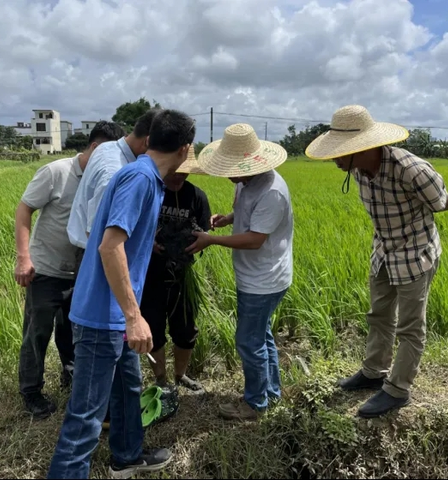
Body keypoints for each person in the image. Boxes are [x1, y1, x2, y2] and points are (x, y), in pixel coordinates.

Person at [47, 109, 196, 480]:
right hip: (102, 316)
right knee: (86, 417)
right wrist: (134, 315)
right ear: (185, 149)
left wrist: (129, 315)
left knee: (129, 387)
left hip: (114, 314)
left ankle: (127, 457)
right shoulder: (140, 180)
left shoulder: (145, 176)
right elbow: (110, 247)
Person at [305, 104, 448, 419]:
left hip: (416, 254)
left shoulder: (411, 169)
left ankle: (398, 390)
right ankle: (374, 372)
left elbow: (445, 202)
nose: (334, 159)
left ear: (361, 148)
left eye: (339, 152)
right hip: (384, 252)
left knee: (411, 326)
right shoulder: (358, 171)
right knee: (379, 315)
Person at [14, 121, 126, 420]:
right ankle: (31, 391)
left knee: (72, 331)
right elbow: (24, 209)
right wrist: (23, 258)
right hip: (47, 269)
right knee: (37, 333)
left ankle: (70, 374)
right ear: (94, 147)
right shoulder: (57, 172)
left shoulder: (106, 176)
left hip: (81, 272)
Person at [187, 123, 293, 421]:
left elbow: (255, 239)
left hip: (264, 280)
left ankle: (255, 404)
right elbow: (247, 212)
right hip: (255, 275)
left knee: (248, 340)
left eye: (231, 169)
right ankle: (270, 393)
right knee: (262, 336)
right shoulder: (245, 181)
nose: (228, 175)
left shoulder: (273, 192)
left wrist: (211, 239)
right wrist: (228, 218)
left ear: (251, 163)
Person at [140, 147, 211, 394]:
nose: (179, 177)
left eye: (184, 173)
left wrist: (190, 245)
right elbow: (133, 228)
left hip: (183, 274)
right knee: (153, 327)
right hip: (151, 275)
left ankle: (181, 376)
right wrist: (149, 244)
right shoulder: (151, 192)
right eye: (175, 172)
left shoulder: (197, 197)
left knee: (185, 328)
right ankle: (161, 380)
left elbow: (204, 231)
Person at [67, 108, 161, 274]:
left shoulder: (108, 147)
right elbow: (98, 235)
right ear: (147, 142)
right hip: (98, 260)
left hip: (91, 254)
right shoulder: (115, 172)